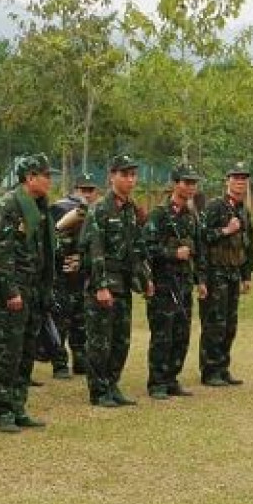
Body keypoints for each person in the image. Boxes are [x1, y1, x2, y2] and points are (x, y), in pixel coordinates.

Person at [0, 154, 54, 432]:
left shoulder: (40, 205)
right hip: (12, 291)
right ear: (30, 178)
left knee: (26, 350)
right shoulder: (10, 205)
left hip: (34, 288)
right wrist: (10, 290)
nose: (50, 180)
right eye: (46, 175)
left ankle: (17, 405)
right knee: (7, 352)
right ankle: (1, 411)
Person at [81, 154, 152, 408]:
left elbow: (138, 248)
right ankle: (98, 391)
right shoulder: (100, 208)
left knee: (121, 339)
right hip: (104, 284)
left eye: (133, 175)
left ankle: (112, 385)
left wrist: (145, 278)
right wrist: (100, 286)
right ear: (112, 176)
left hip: (124, 284)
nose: (130, 180)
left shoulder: (132, 209)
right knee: (100, 341)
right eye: (125, 174)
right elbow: (94, 249)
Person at [143, 163, 205, 399]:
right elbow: (146, 247)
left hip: (183, 285)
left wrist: (202, 281)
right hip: (163, 285)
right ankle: (157, 382)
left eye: (193, 183)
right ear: (175, 184)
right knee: (162, 335)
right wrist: (171, 254)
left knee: (181, 333)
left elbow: (198, 250)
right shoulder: (159, 214)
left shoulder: (191, 216)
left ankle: (171, 379)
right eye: (186, 182)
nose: (191, 187)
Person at [198, 161, 253, 387]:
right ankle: (210, 370)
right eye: (236, 177)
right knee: (214, 323)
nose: (240, 181)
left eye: (244, 178)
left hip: (233, 273)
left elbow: (248, 244)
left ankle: (222, 368)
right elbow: (201, 238)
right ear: (227, 181)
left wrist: (247, 274)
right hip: (216, 274)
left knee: (230, 324)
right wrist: (225, 230)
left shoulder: (244, 211)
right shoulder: (215, 207)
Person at [48, 171, 100, 379]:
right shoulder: (61, 209)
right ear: (76, 190)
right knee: (61, 320)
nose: (87, 194)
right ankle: (59, 364)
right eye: (83, 189)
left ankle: (80, 360)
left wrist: (83, 259)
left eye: (90, 190)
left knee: (81, 321)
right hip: (62, 275)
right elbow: (51, 243)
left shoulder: (95, 213)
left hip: (82, 276)